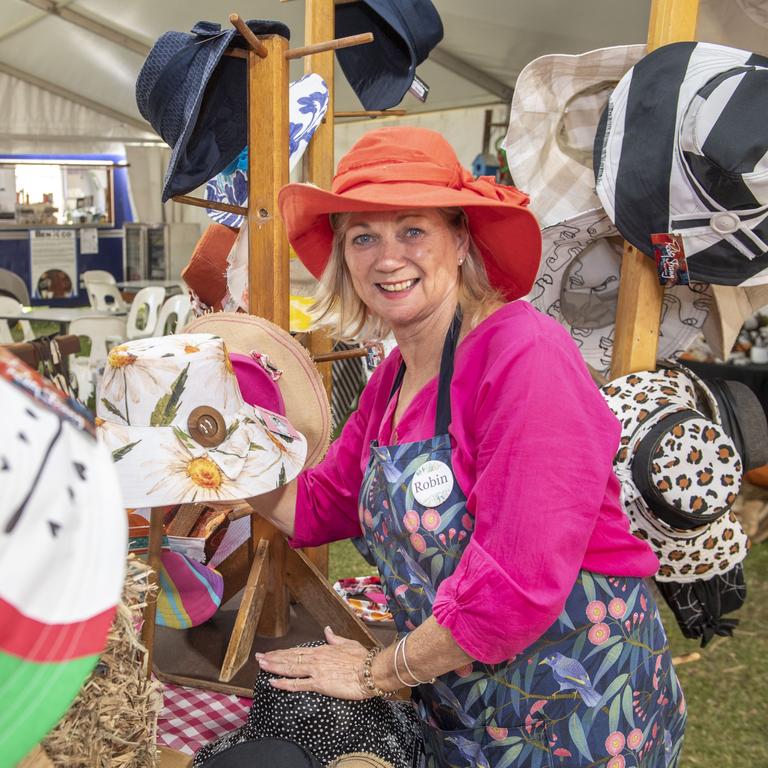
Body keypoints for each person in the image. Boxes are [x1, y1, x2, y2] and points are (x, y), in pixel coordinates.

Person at [247, 127, 686, 767]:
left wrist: (375, 672)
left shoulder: (522, 353)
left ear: (460, 240)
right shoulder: (393, 378)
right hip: (459, 698)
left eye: (412, 230)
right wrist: (215, 468)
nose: (387, 257)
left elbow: (515, 583)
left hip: (580, 710)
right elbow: (319, 506)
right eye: (363, 237)